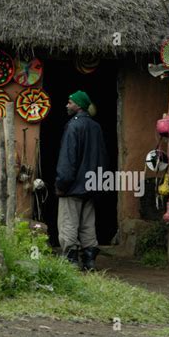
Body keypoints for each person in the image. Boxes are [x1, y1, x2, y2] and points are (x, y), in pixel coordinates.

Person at [55, 90, 107, 271]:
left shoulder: (73, 126)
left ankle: (71, 262)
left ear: (79, 105)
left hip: (73, 187)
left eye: (70, 102)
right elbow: (102, 157)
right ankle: (90, 261)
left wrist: (62, 183)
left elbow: (68, 159)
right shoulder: (96, 127)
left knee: (68, 223)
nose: (67, 105)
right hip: (92, 185)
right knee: (88, 224)